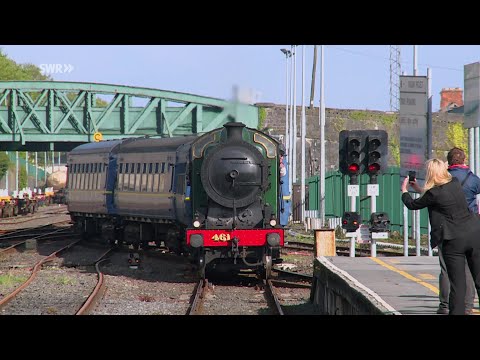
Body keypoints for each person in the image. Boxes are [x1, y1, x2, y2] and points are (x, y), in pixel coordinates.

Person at [401, 158, 480, 315]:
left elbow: (413, 204)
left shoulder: (433, 193)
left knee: (458, 285)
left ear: (430, 173)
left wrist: (404, 190)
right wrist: (419, 188)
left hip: (453, 239)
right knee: (478, 277)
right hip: (473, 233)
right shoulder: (455, 183)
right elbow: (437, 195)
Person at [433, 147, 480, 314]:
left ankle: (445, 306)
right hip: (472, 229)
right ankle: (468, 306)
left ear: (449, 161)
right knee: (470, 270)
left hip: (448, 229)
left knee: (447, 269)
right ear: (464, 160)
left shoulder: (443, 179)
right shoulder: (473, 179)